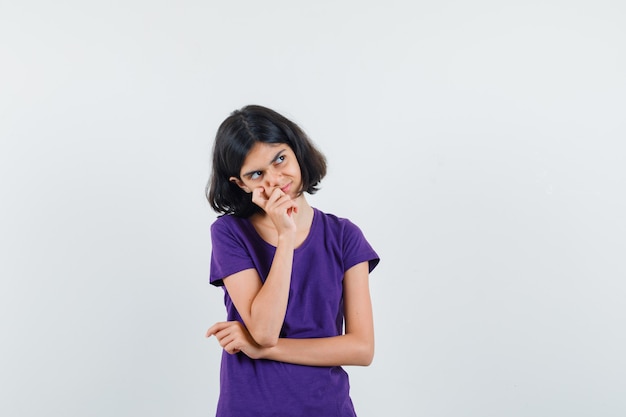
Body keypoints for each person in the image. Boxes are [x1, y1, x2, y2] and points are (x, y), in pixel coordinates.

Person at [205, 105, 380, 417]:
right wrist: (286, 237)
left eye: (280, 159)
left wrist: (263, 350)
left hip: (326, 408)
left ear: (297, 151)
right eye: (256, 173)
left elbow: (361, 348)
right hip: (249, 408)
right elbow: (264, 330)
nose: (275, 179)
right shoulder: (229, 233)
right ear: (241, 184)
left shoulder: (344, 236)